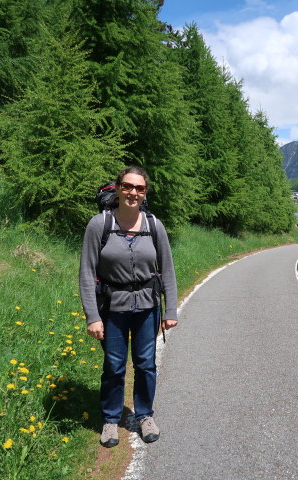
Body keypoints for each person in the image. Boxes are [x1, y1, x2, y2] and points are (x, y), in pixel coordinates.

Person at [79, 166, 178, 448]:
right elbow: (86, 272)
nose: (133, 192)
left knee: (146, 364)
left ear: (145, 193)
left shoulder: (153, 225)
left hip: (147, 307)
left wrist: (171, 310)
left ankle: (145, 415)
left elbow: (167, 269)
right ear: (118, 189)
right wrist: (92, 317)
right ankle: (111, 420)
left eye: (139, 188)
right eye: (127, 186)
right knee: (114, 365)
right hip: (112, 308)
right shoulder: (99, 225)